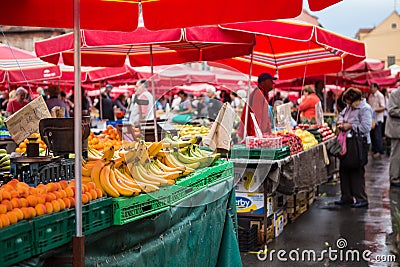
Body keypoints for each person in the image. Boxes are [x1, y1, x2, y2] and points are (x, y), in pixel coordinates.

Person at [335, 88, 372, 208]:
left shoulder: (365, 109)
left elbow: (366, 127)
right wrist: (341, 122)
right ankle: (346, 196)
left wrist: (350, 126)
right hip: (347, 142)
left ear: (357, 99)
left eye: (350, 102)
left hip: (358, 143)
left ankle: (361, 198)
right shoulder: (349, 107)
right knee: (344, 168)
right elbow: (342, 114)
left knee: (356, 170)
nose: (349, 105)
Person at [237, 73, 275, 139]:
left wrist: (268, 132)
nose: (273, 83)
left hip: (254, 134)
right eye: (271, 81)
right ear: (264, 82)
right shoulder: (259, 93)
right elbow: (255, 116)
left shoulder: (263, 94)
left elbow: (265, 117)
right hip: (249, 135)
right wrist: (256, 137)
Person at [384, 86, 400, 186]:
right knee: (396, 154)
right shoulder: (395, 94)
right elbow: (391, 110)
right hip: (396, 130)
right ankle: (394, 177)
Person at [367, 83, 385, 158]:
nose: (370, 89)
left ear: (375, 88)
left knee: (378, 135)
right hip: (371, 119)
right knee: (372, 135)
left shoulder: (380, 96)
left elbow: (383, 107)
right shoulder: (370, 96)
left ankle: (379, 151)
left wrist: (374, 110)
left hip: (378, 119)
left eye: (371, 87)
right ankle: (374, 150)